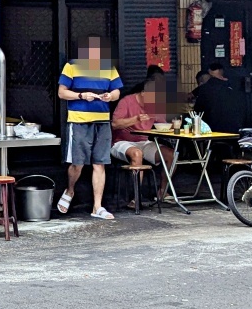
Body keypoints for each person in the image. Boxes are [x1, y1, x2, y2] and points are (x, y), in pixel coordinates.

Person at [56, 36, 124, 219]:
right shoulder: (71, 66)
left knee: (99, 163)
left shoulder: (108, 68)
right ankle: (70, 190)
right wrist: (81, 96)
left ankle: (97, 207)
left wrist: (111, 96)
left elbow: (117, 91)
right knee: (77, 163)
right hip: (78, 121)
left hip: (102, 121)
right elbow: (61, 92)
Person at [111, 75, 175, 203]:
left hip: (144, 141)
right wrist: (136, 119)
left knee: (171, 155)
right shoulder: (127, 101)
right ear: (143, 93)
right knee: (137, 154)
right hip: (121, 142)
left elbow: (162, 124)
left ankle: (163, 191)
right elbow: (115, 124)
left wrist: (173, 125)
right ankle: (135, 197)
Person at [193, 61, 245, 132]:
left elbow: (198, 109)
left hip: (213, 128)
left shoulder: (205, 88)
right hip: (234, 127)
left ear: (209, 74)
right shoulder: (232, 86)